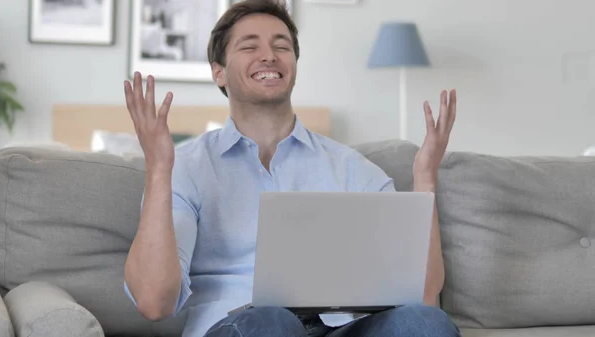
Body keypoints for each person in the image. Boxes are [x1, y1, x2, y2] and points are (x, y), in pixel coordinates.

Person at [122, 0, 460, 336]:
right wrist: (158, 168)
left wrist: (425, 177)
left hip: (339, 329)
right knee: (270, 321)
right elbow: (154, 303)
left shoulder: (351, 169)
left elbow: (423, 297)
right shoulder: (186, 167)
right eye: (249, 45)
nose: (269, 55)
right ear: (218, 71)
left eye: (281, 46)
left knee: (425, 323)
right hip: (246, 327)